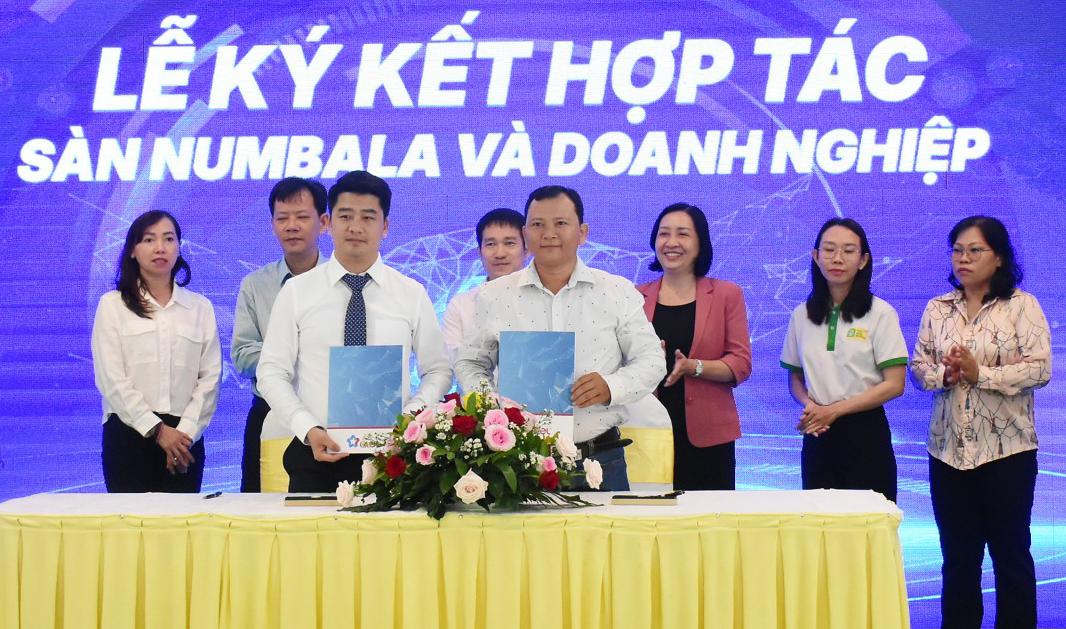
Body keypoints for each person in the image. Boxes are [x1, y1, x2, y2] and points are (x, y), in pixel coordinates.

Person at [455, 185, 666, 491]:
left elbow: (652, 360)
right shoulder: (494, 296)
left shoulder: (617, 291)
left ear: (582, 233)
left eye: (561, 223)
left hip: (599, 459)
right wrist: (492, 404)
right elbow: (471, 363)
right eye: (538, 224)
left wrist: (611, 386)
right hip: (516, 461)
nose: (549, 234)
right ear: (525, 233)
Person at [257, 170, 453, 492]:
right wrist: (307, 427)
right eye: (345, 216)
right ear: (328, 223)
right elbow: (271, 372)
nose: (355, 227)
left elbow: (438, 370)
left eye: (368, 217)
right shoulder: (297, 292)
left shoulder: (411, 293)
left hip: (393, 457)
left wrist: (408, 421)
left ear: (385, 226)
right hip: (315, 455)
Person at [911, 216, 1051, 629]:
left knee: (1011, 556)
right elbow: (918, 368)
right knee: (958, 560)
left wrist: (980, 374)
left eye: (975, 251)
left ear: (999, 257)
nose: (964, 259)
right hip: (948, 453)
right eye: (957, 251)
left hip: (1008, 453)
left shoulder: (1022, 306)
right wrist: (946, 374)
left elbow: (1040, 369)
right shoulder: (937, 308)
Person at [91, 210, 221, 492]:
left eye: (169, 239)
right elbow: (111, 378)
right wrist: (159, 431)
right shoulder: (113, 305)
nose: (160, 247)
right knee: (129, 520)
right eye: (149, 240)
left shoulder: (199, 308)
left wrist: (185, 434)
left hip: (185, 442)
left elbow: (210, 379)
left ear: (179, 248)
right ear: (132, 250)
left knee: (182, 520)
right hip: (129, 433)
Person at [779, 218, 907, 502]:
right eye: (829, 250)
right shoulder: (801, 314)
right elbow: (795, 378)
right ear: (816, 256)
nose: (837, 258)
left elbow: (895, 384)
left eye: (848, 251)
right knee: (819, 521)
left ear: (863, 260)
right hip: (817, 431)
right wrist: (810, 406)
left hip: (865, 431)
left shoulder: (881, 313)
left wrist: (835, 410)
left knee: (870, 522)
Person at [636, 203, 752, 490]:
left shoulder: (727, 294)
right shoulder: (635, 296)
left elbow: (740, 363)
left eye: (683, 234)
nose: (671, 242)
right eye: (664, 234)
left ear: (700, 243)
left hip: (709, 438)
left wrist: (694, 367)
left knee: (709, 516)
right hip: (647, 431)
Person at [231, 177, 328, 492]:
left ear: (323, 222)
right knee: (258, 507)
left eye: (302, 217)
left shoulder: (343, 281)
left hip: (329, 415)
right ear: (272, 225)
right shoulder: (255, 285)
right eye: (282, 218)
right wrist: (298, 354)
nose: (291, 226)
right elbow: (243, 356)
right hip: (269, 411)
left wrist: (282, 356)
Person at [442, 208, 526, 362]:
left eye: (509, 243)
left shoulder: (546, 299)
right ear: (480, 252)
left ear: (527, 249)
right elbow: (452, 363)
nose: (500, 253)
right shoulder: (461, 306)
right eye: (491, 244)